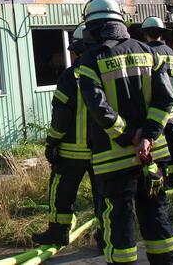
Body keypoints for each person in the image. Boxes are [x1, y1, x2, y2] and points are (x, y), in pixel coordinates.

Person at [78, 0, 173, 265]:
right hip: (152, 155)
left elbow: (98, 107)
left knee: (118, 222)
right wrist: (148, 136)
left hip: (114, 159)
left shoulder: (91, 59)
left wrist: (130, 135)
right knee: (156, 215)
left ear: (93, 26)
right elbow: (166, 99)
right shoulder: (149, 52)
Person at [31, 24, 102, 247]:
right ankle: (107, 237)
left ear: (78, 50)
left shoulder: (71, 76)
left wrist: (52, 142)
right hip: (104, 151)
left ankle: (58, 233)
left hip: (72, 153)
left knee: (61, 193)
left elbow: (62, 115)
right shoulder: (109, 72)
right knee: (104, 196)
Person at [141, 17, 173, 187]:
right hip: (169, 107)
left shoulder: (146, 52)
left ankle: (158, 176)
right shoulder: (171, 52)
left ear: (145, 34)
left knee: (156, 143)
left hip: (153, 107)